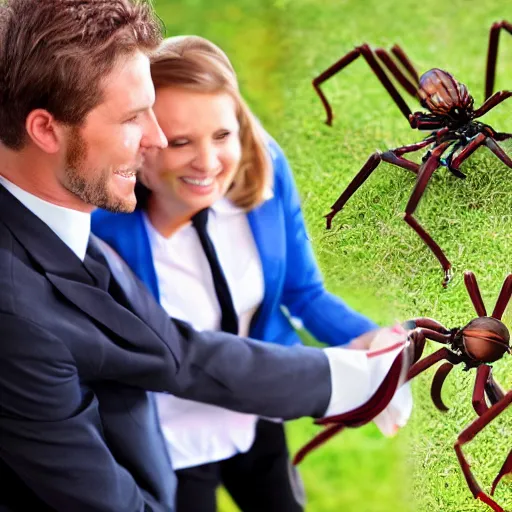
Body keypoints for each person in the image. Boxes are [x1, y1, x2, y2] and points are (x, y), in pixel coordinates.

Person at [0, 2, 412, 511]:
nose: (152, 139)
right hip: (174, 447)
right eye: (135, 119)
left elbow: (181, 349)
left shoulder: (61, 223)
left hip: (252, 414)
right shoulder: (35, 292)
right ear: (45, 129)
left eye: (222, 135)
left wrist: (365, 372)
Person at [92, 36, 397, 512]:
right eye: (180, 142)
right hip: (167, 436)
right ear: (142, 143)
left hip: (258, 410)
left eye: (221, 135)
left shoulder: (266, 178)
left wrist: (375, 344)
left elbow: (304, 293)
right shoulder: (101, 227)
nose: (209, 164)